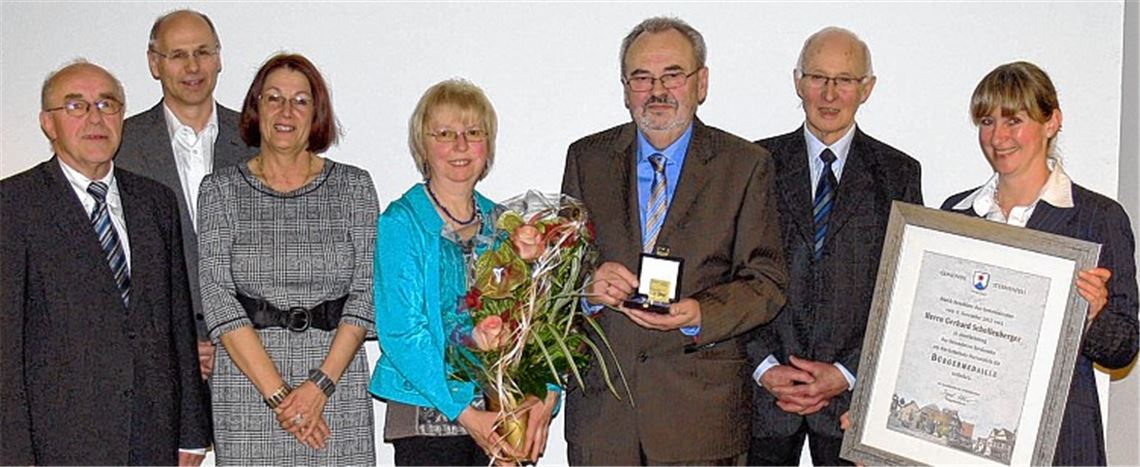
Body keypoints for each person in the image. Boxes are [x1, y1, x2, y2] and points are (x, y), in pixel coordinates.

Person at [561, 16, 788, 465]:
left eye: (672, 75)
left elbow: (767, 282)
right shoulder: (586, 159)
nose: (657, 91)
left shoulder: (745, 165)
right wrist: (586, 288)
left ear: (701, 83)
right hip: (605, 418)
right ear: (625, 88)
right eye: (642, 78)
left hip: (700, 421)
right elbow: (559, 272)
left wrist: (701, 313)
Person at [0, 60, 210, 465]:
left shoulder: (155, 202)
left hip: (152, 437)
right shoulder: (14, 205)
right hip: (58, 442)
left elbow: (176, 323)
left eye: (107, 104)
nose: (95, 117)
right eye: (76, 106)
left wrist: (191, 432)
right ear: (48, 123)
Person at [941, 61, 1137, 466]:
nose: (998, 137)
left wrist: (1094, 313)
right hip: (965, 444)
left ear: (1052, 122)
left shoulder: (1097, 218)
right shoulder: (955, 215)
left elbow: (1122, 350)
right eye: (988, 121)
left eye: (1014, 120)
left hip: (1062, 442)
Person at [746, 27, 923, 466]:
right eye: (817, 78)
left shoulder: (898, 174)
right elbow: (733, 275)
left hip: (851, 405)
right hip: (764, 402)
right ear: (797, 82)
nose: (829, 94)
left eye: (844, 80)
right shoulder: (753, 165)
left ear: (867, 88)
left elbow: (905, 290)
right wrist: (767, 368)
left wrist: (847, 372)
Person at [197, 53, 377, 464]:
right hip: (248, 389)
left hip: (336, 386)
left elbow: (366, 294)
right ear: (255, 107)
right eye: (273, 98)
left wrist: (317, 389)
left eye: (300, 101)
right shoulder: (220, 190)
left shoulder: (354, 187)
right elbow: (219, 298)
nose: (285, 111)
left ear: (317, 114)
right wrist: (281, 397)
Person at [371, 78, 558, 465]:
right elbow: (402, 332)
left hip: (505, 419)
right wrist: (466, 413)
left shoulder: (507, 225)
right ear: (423, 145)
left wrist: (546, 394)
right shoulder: (401, 223)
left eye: (473, 132)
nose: (460, 145)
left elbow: (542, 324)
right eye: (444, 133)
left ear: (487, 145)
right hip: (427, 425)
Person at [116, 9, 256, 381]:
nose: (193, 66)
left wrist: (233, 344)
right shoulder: (119, 147)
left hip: (254, 364)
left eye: (203, 52)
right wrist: (173, 346)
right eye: (178, 55)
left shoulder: (259, 141)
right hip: (154, 366)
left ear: (219, 58)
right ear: (154, 63)